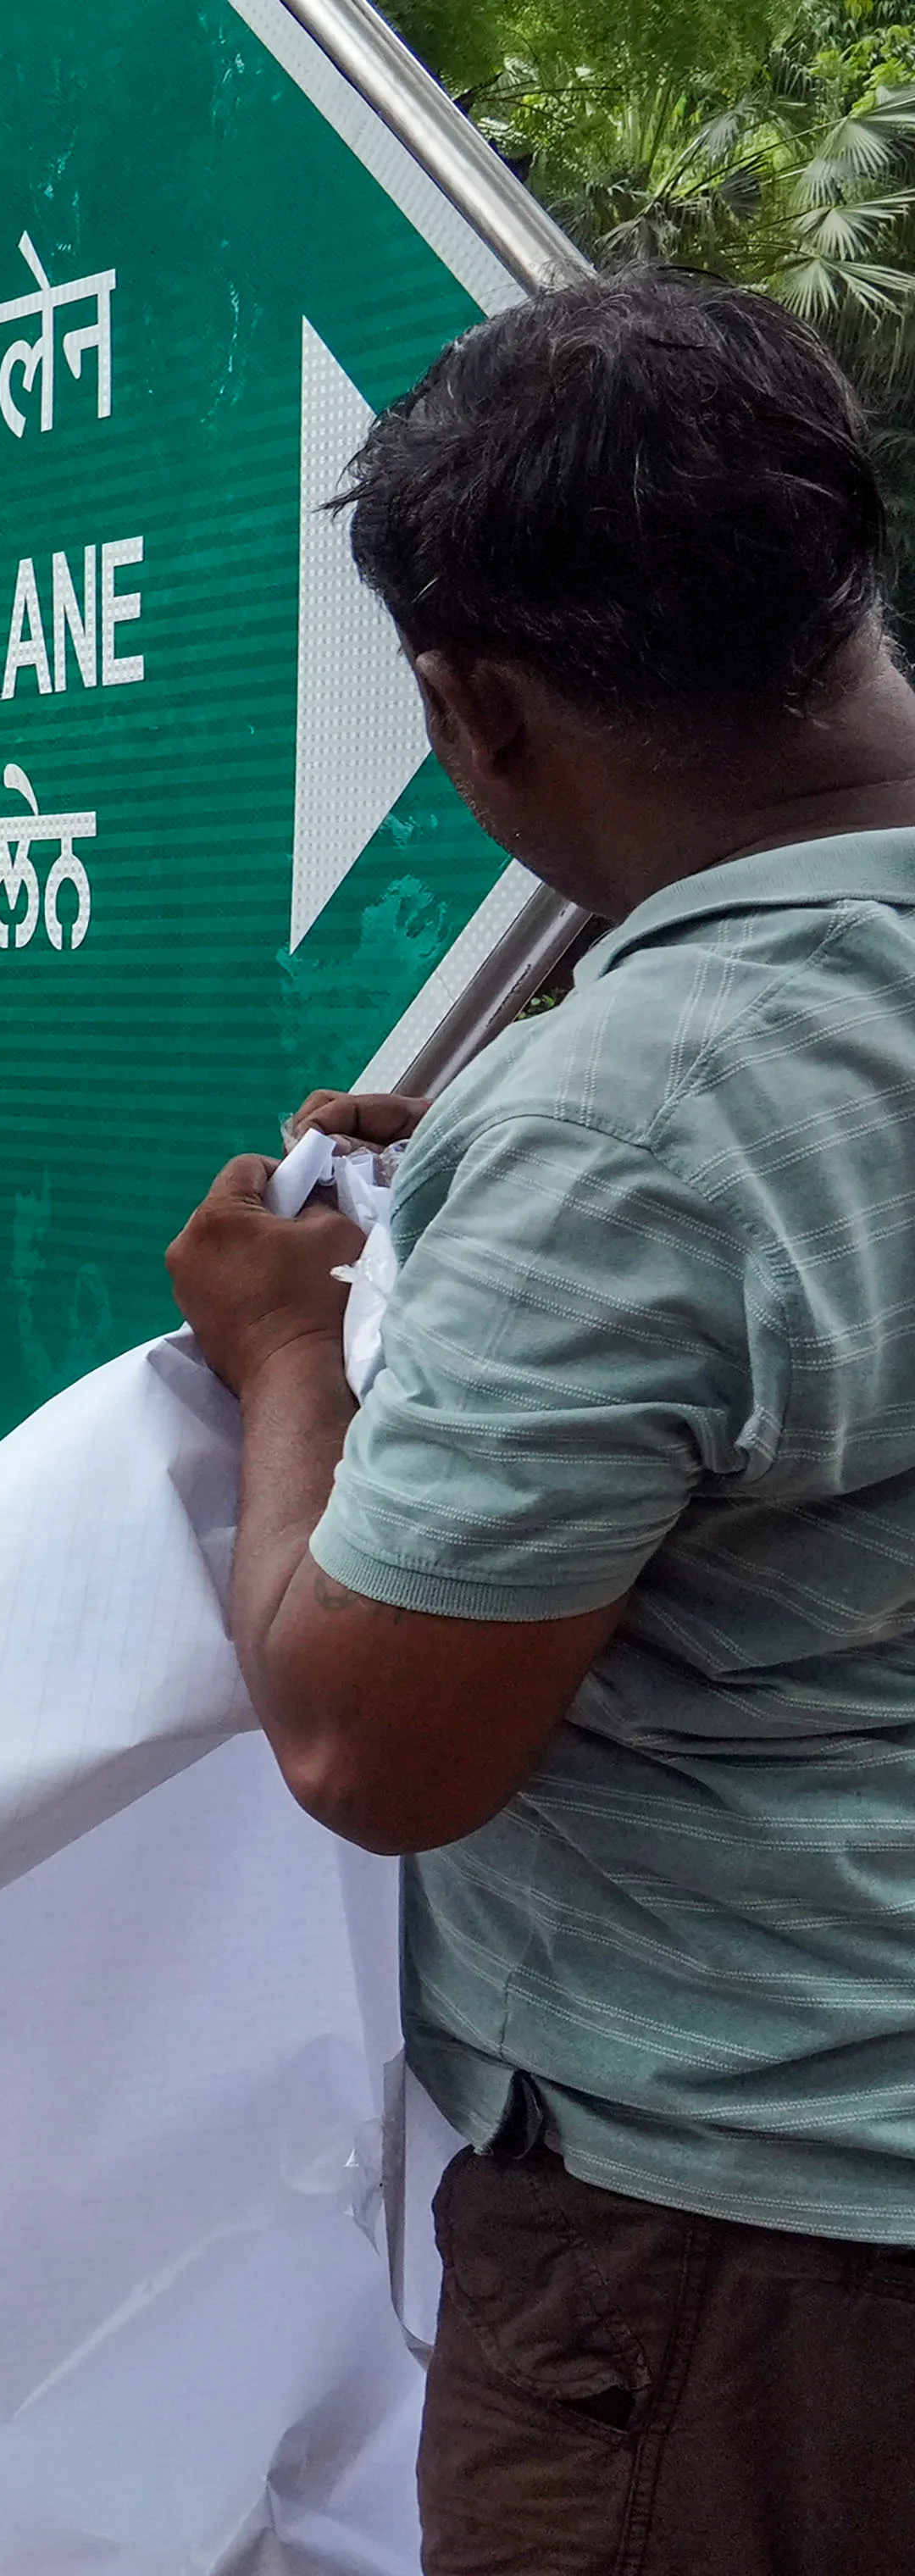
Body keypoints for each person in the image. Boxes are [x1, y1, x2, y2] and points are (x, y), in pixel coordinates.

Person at [163, 269, 915, 2569]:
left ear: (468, 708)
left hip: (751, 2268)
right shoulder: (648, 1100)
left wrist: (294, 1357)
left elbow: (380, 1746)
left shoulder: (636, 1114)